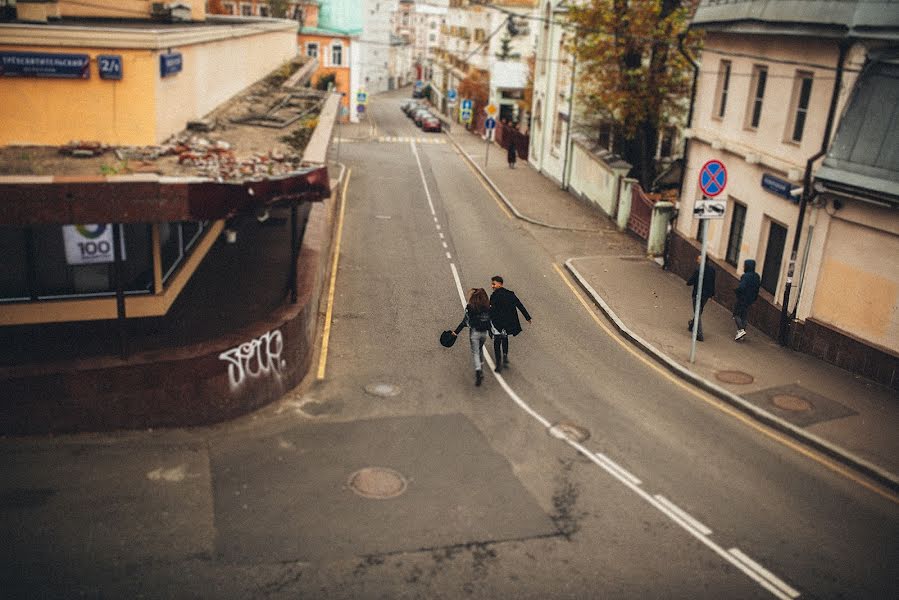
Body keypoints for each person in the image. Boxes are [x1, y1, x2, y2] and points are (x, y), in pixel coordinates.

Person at [489, 275, 531, 373]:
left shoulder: (494, 296)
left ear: (500, 284)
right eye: (492, 284)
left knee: (497, 343)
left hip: (497, 324)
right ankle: (505, 355)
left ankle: (498, 364)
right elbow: (519, 305)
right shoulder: (510, 294)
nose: (492, 286)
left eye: (494, 284)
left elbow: (491, 310)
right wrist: (527, 317)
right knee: (505, 338)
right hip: (507, 324)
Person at [451, 288, 493, 386]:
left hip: (474, 332)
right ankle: (481, 366)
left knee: (475, 352)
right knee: (480, 348)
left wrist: (456, 332)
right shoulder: (488, 307)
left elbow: (465, 321)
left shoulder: (470, 307)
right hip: (484, 333)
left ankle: (478, 371)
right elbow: (491, 320)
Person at [686, 255, 716, 342]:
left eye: (699, 259)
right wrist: (712, 294)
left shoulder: (698, 270)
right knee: (699, 311)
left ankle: (699, 334)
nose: (697, 260)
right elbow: (713, 282)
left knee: (697, 313)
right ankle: (692, 325)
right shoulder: (712, 270)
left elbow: (690, 281)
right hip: (706, 295)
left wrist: (689, 282)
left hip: (698, 294)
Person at [733, 259, 761, 341]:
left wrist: (737, 291)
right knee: (744, 315)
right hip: (750, 299)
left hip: (742, 298)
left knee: (736, 314)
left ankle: (741, 330)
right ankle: (741, 333)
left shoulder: (745, 276)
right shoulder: (757, 276)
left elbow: (742, 287)